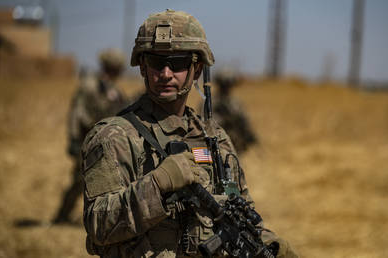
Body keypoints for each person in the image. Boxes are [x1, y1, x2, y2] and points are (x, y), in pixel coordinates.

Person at [80, 9, 298, 257]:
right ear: (142, 66)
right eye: (155, 61)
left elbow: (240, 216)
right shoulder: (114, 137)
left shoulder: (215, 139)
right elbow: (97, 225)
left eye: (178, 63)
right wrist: (156, 184)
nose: (165, 73)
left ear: (197, 69)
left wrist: (270, 245)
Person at [52, 48, 128, 224]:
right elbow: (76, 113)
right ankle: (62, 215)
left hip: (104, 142)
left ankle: (101, 218)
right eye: (115, 68)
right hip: (86, 140)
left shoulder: (114, 89)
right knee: (80, 180)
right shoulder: (89, 85)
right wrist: (73, 140)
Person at [212, 67, 257, 155]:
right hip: (217, 147)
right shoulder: (211, 103)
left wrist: (250, 138)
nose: (226, 87)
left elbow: (244, 123)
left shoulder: (235, 103)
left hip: (235, 146)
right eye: (224, 84)